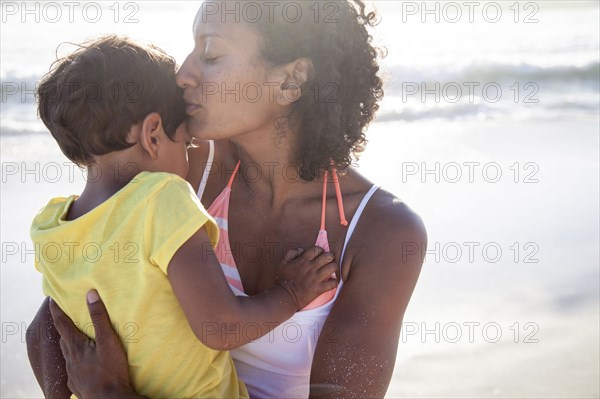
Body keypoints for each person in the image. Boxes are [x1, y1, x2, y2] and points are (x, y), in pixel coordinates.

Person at [26, 1, 428, 398]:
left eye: (211, 52)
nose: (183, 74)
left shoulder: (379, 231)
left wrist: (110, 394)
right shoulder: (180, 168)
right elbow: (54, 317)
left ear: (291, 80)